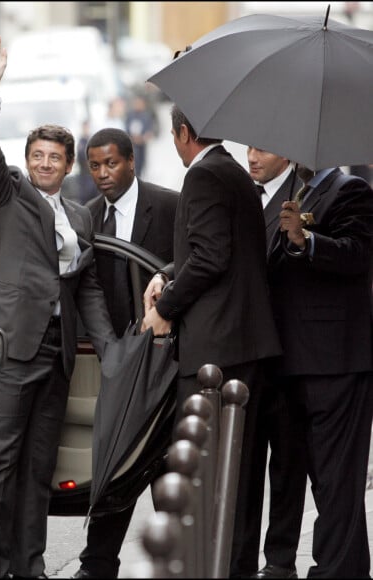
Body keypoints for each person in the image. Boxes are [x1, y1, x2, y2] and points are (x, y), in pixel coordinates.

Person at [0, 32, 117, 579]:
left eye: (55, 156)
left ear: (69, 163)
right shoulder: (8, 192)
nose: (46, 163)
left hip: (57, 354)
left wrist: (112, 351)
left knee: (37, 470)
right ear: (27, 161)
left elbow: (90, 288)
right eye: (38, 155)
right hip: (9, 347)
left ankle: (29, 567)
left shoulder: (80, 218)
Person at [141, 104, 282, 576]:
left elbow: (210, 258)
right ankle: (235, 566)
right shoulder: (236, 174)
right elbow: (215, 250)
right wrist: (167, 273)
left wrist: (165, 308)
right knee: (239, 479)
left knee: (211, 477)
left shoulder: (204, 177)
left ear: (184, 132)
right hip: (247, 345)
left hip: (217, 351)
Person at [72, 127, 180, 578]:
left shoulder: (171, 206)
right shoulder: (87, 217)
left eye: (111, 163)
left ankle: (182, 559)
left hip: (164, 357)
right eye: (94, 166)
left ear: (132, 161)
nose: (102, 174)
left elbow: (194, 263)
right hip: (115, 363)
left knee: (167, 464)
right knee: (116, 462)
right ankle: (96, 566)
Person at [265, 164, 373, 578]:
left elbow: (357, 253)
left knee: (337, 479)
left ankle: (337, 570)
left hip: (337, 361)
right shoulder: (296, 192)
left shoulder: (352, 190)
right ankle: (337, 566)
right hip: (291, 360)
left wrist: (306, 239)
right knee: (300, 472)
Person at [229, 147, 307, 579]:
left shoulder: (304, 196)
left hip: (292, 353)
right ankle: (239, 560)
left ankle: (279, 559)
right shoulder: (242, 192)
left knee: (288, 463)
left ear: (290, 154)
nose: (253, 156)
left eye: (263, 148)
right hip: (248, 353)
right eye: (250, 147)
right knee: (243, 465)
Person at [125, 95, 154, 179]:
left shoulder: (146, 116)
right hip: (132, 144)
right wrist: (132, 138)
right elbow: (126, 128)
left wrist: (143, 138)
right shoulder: (130, 115)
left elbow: (150, 131)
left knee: (141, 163)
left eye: (140, 103)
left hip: (142, 145)